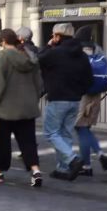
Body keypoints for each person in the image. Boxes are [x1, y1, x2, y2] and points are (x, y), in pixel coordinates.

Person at [0, 29, 43, 187]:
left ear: (2, 41)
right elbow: (39, 84)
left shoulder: (2, 57)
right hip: (27, 107)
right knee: (28, 141)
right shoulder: (29, 57)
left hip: (5, 108)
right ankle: (35, 170)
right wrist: (33, 98)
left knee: (2, 141)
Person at [39, 23, 92, 180]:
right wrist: (79, 92)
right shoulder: (82, 55)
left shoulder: (55, 53)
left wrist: (48, 47)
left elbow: (38, 60)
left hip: (57, 98)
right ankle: (62, 168)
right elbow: (88, 79)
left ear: (57, 37)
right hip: (75, 99)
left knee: (51, 132)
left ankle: (72, 159)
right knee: (65, 134)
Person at [73, 25, 107, 175]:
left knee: (80, 128)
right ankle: (88, 165)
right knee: (85, 128)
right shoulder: (99, 50)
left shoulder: (77, 51)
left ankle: (96, 157)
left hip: (82, 94)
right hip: (96, 94)